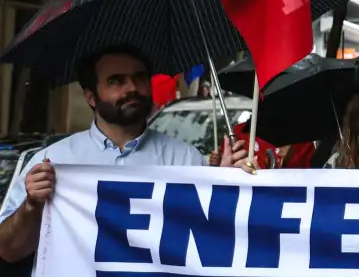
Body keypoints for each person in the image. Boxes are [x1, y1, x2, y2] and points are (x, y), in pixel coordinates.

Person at [0, 46, 247, 262]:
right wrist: (32, 205)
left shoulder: (184, 159)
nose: (132, 88)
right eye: (116, 81)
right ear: (90, 97)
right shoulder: (52, 161)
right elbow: (9, 250)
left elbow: (213, 239)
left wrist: (226, 186)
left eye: (139, 78)